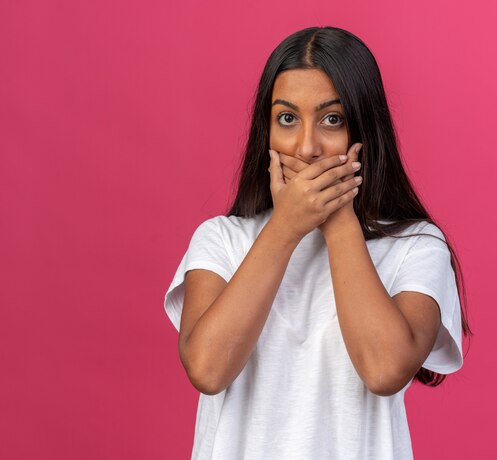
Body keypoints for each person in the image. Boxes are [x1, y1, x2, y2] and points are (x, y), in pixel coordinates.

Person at [164, 26, 472, 460]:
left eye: (333, 119)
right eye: (287, 119)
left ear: (365, 127)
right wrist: (286, 228)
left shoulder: (416, 246)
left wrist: (339, 221)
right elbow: (207, 369)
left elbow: (384, 370)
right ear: (265, 132)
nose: (307, 147)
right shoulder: (221, 240)